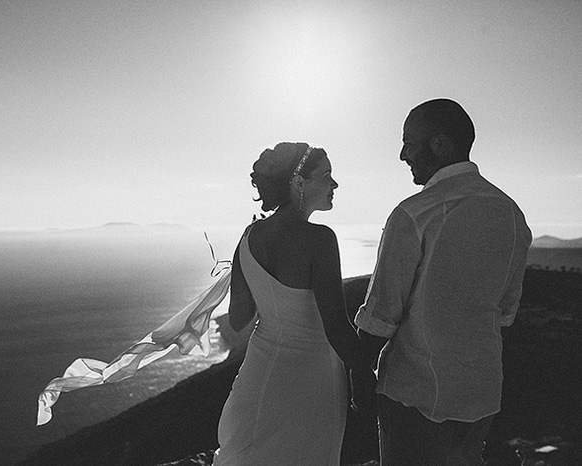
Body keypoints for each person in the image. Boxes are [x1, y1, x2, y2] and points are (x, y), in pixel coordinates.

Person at [351, 99, 532, 465]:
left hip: (413, 397)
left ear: (439, 144)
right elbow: (505, 313)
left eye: (409, 142)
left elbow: (381, 317)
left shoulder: (415, 214)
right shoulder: (512, 215)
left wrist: (357, 381)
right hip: (480, 397)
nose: (403, 154)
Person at [213, 142, 367, 465]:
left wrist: (248, 273)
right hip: (312, 390)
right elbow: (337, 328)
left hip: (256, 385)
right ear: (299, 183)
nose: (334, 184)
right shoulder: (321, 241)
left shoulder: (248, 237)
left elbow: (239, 318)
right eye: (326, 176)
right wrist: (368, 370)